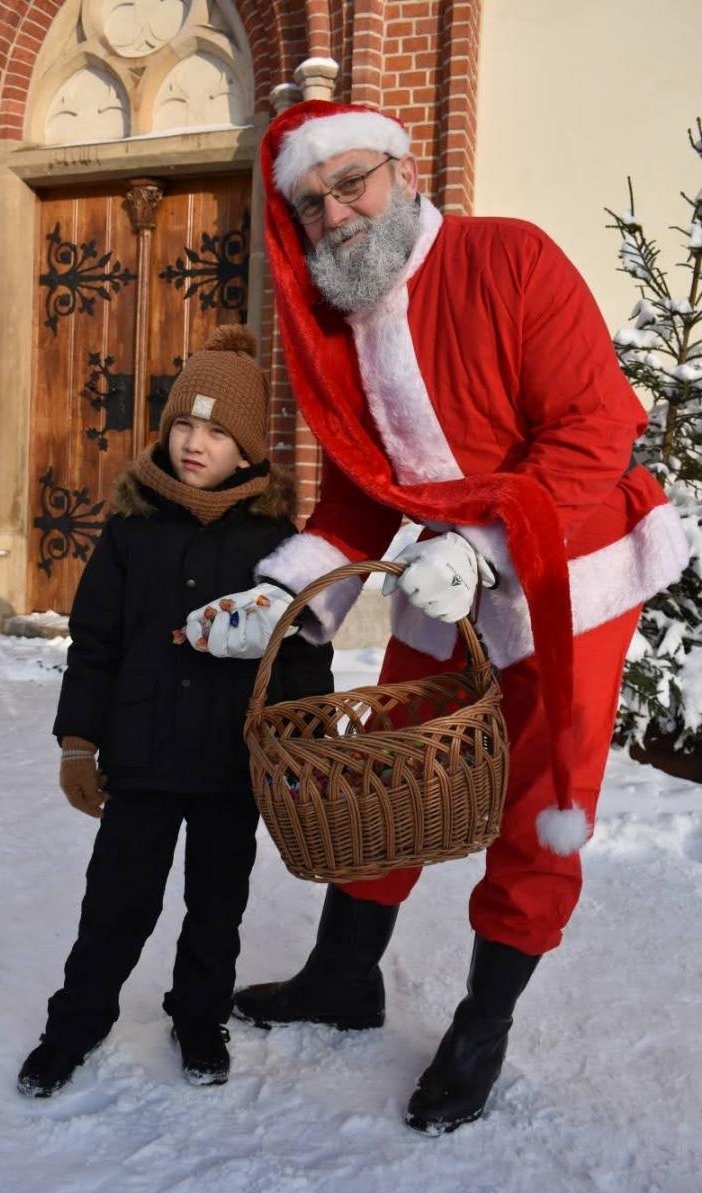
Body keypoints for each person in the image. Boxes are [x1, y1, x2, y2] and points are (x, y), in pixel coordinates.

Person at [185, 101, 690, 1135]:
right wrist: (282, 594)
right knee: (391, 768)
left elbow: (596, 427)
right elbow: (363, 490)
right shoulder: (346, 321)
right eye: (311, 203)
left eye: (351, 183)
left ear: (404, 171)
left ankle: (481, 1024)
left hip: (570, 574)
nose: (335, 214)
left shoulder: (509, 257)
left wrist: (481, 547)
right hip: (440, 583)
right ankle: (343, 975)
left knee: (540, 805)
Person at [16, 324, 333, 1098]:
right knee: (117, 901)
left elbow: (301, 651)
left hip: (231, 762)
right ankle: (76, 1022)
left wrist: (306, 745)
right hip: (143, 754)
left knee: (217, 905)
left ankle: (199, 1017)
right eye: (185, 424)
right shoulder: (132, 530)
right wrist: (78, 742)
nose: (195, 443)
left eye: (218, 433)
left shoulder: (276, 543)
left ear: (248, 450)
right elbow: (95, 641)